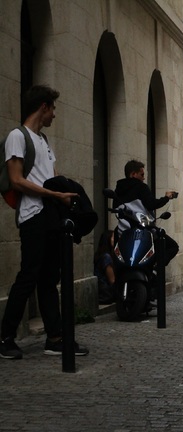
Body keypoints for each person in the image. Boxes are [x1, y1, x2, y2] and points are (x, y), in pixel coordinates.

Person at [1, 85, 89, 359]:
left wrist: (63, 194)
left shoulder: (44, 141)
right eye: (53, 109)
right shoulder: (17, 136)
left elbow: (51, 176)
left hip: (50, 215)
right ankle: (5, 338)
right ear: (43, 107)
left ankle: (55, 337)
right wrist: (54, 194)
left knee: (50, 279)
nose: (54, 116)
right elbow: (16, 180)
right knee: (29, 276)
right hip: (32, 216)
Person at [113, 159, 179, 266]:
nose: (143, 178)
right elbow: (152, 204)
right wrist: (167, 197)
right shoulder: (141, 187)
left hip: (123, 230)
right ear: (133, 174)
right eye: (142, 174)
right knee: (173, 246)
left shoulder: (118, 190)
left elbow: (116, 209)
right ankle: (155, 268)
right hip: (142, 230)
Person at [94, 230, 116, 304]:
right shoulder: (106, 257)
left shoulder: (102, 255)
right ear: (108, 239)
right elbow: (112, 280)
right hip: (106, 294)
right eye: (113, 237)